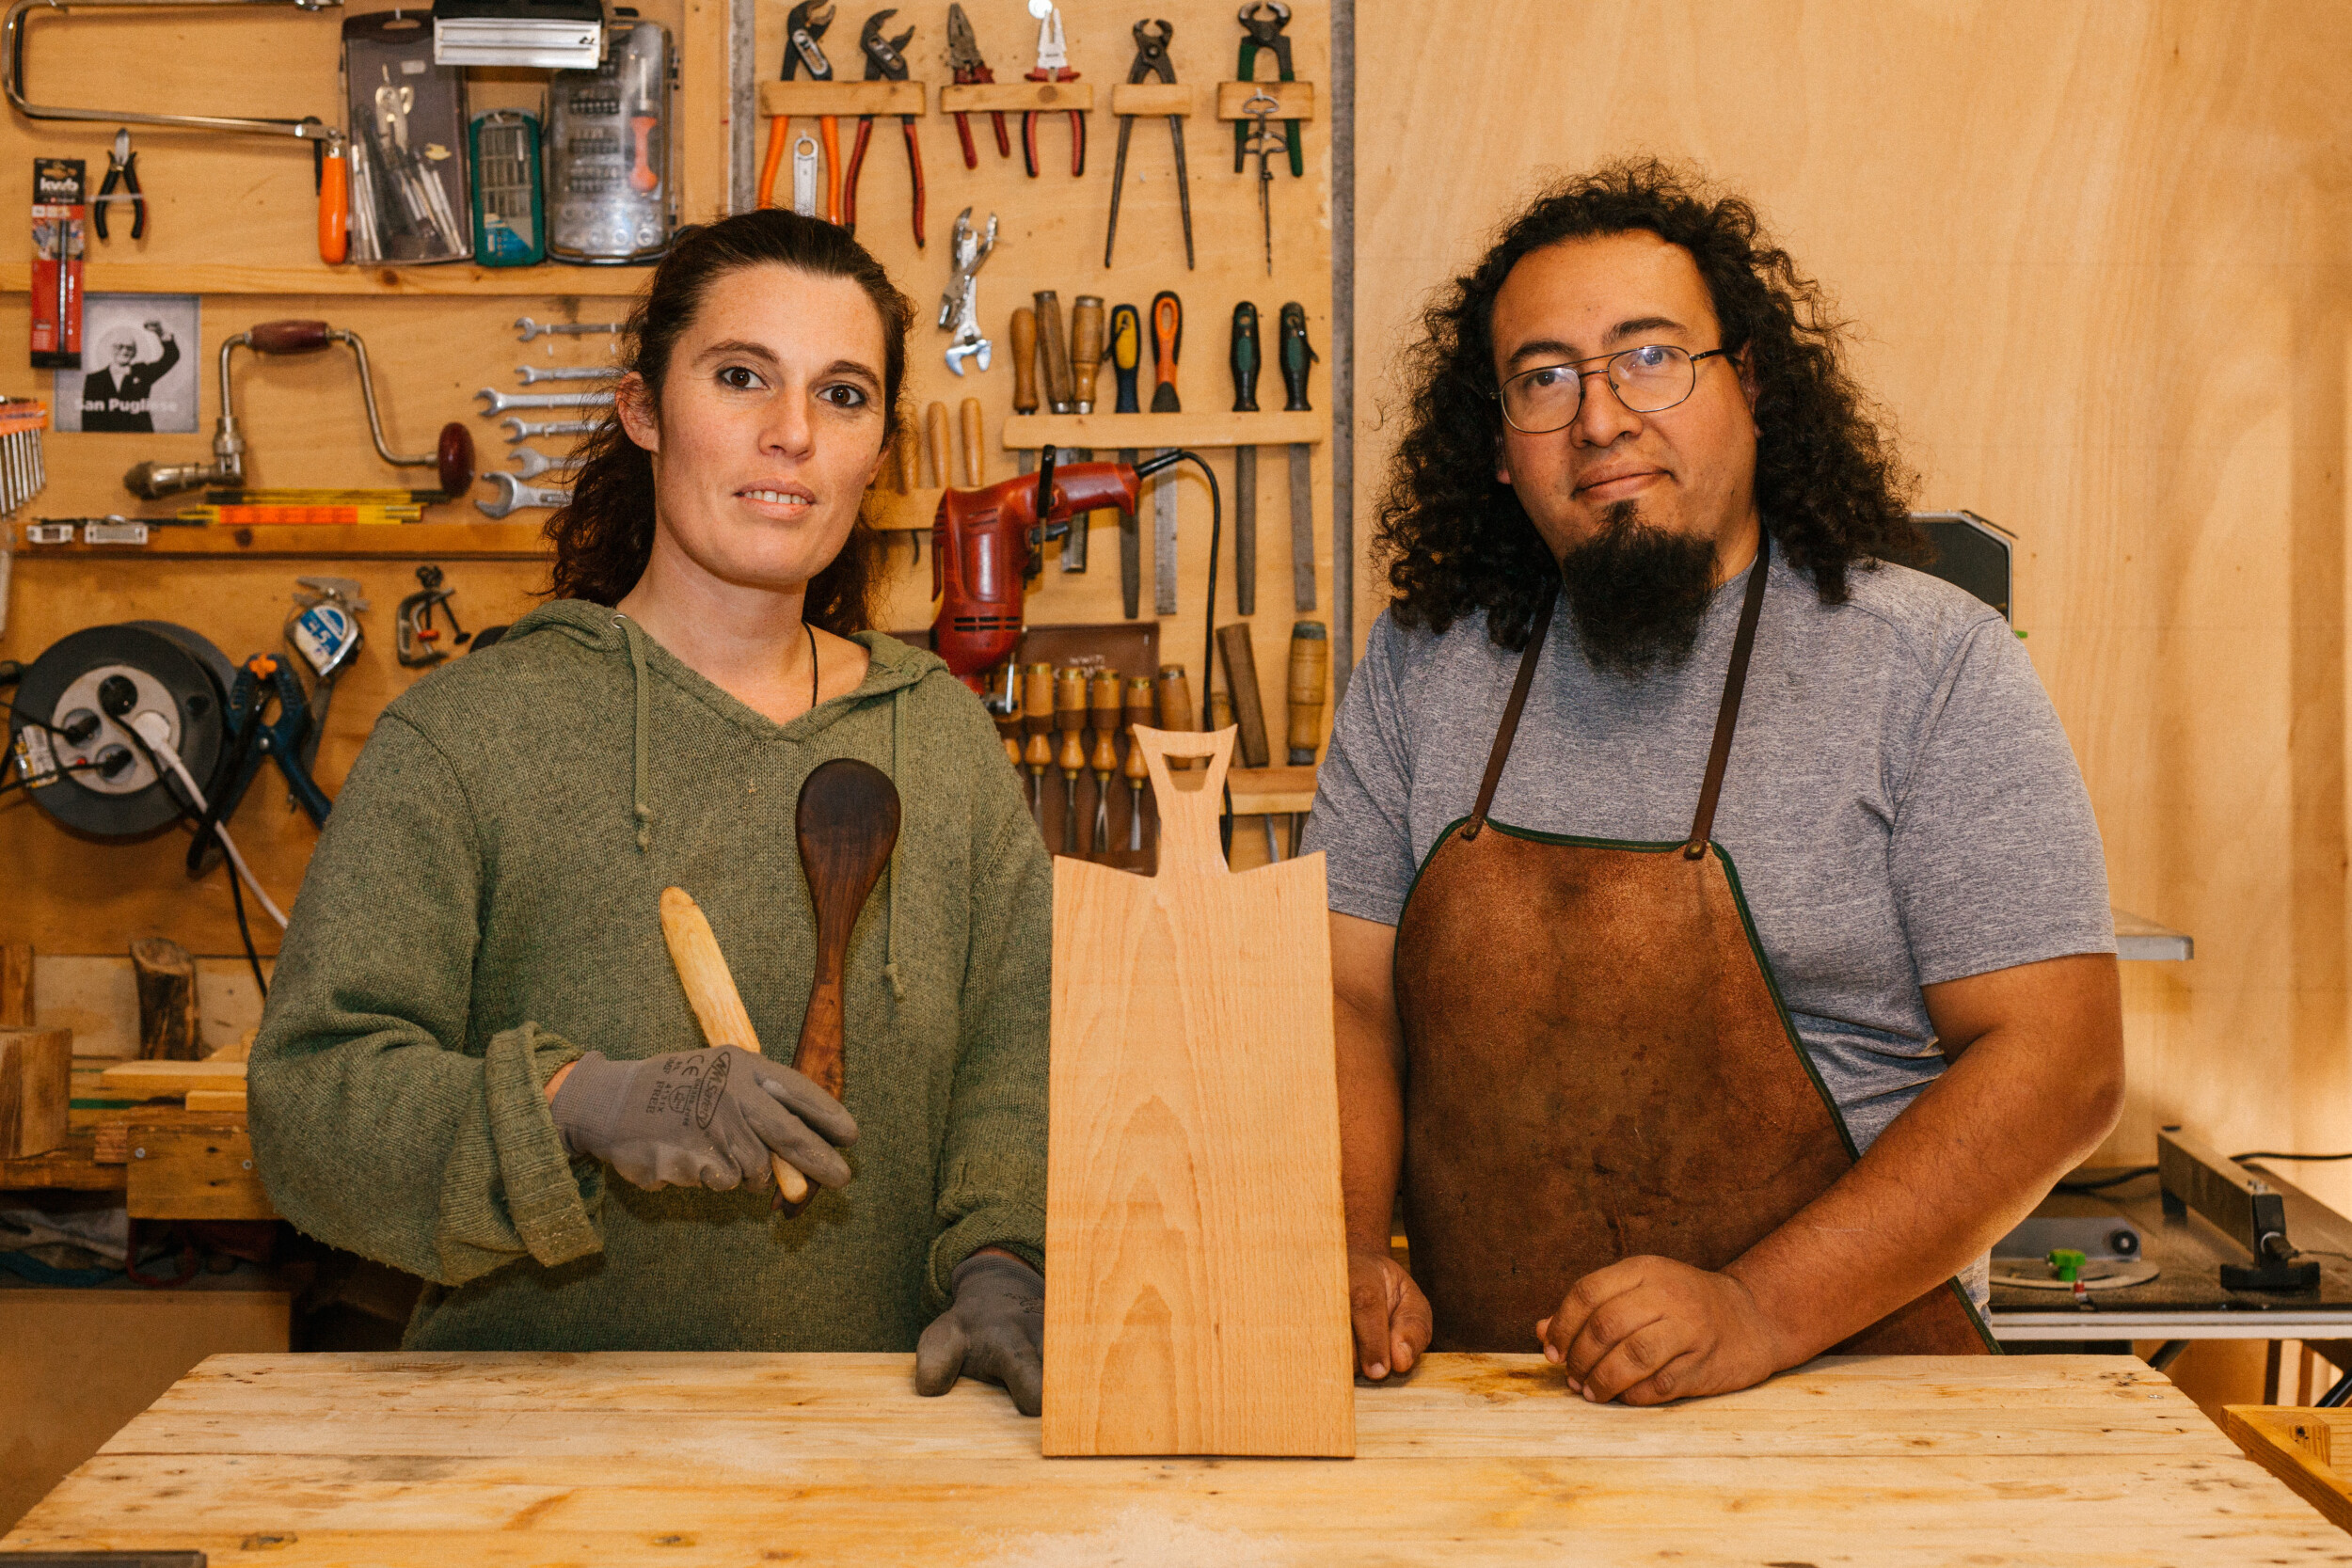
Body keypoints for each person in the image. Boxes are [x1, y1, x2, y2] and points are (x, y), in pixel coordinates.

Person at [1309, 161, 2123, 1405]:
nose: (1599, 418)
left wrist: (1756, 1307)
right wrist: (1352, 1245)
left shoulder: (1927, 659)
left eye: (1649, 357)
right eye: (1545, 377)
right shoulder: (1420, 667)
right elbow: (1344, 1001)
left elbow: (2060, 1061)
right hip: (1496, 1425)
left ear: (1750, 385)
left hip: (1853, 1416)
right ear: (1496, 447)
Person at [249, 210, 1049, 1414]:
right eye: (740, 378)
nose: (790, 435)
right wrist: (573, 1104)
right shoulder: (470, 734)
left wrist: (1005, 1260)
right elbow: (308, 1105)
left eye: (842, 396)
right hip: (530, 1462)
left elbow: (1020, 1056)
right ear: (642, 410)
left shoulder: (936, 737)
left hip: (881, 1451)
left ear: (877, 449)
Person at [78, 320, 179, 432]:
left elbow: (171, 357)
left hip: (139, 439)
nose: (124, 351)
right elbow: (88, 418)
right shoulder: (94, 379)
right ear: (111, 349)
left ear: (135, 352)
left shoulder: (142, 372)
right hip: (106, 440)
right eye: (119, 347)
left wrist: (160, 332)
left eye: (129, 348)